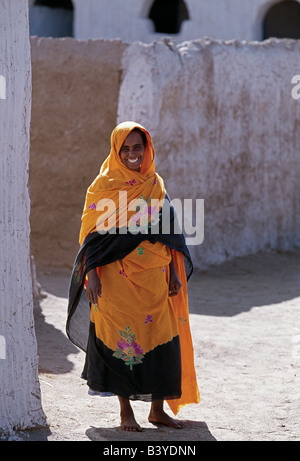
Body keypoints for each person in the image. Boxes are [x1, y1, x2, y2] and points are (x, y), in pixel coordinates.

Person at [67, 121, 199, 432]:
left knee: (162, 340)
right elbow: (91, 237)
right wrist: (92, 275)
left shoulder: (155, 185)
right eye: (125, 149)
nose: (131, 154)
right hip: (114, 280)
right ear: (116, 150)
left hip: (154, 278)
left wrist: (171, 274)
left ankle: (157, 411)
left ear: (146, 148)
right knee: (120, 341)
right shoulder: (102, 188)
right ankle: (126, 411)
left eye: (137, 147)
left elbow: (168, 235)